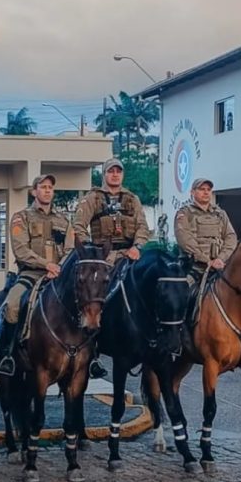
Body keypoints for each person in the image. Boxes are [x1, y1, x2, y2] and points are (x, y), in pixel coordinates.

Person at [73, 158, 150, 378]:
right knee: (94, 295)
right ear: (104, 174)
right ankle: (91, 351)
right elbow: (78, 226)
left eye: (119, 172)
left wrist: (137, 246)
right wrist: (91, 252)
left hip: (129, 254)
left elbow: (142, 226)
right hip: (101, 256)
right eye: (111, 171)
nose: (115, 175)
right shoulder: (93, 198)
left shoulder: (132, 199)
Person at [0, 174, 73, 376]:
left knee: (87, 304)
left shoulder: (64, 220)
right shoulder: (22, 217)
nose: (47, 190)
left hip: (58, 277)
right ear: (33, 192)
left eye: (50, 187)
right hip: (30, 275)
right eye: (43, 186)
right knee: (12, 305)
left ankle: (91, 357)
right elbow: (20, 250)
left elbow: (70, 249)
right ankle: (9, 354)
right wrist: (46, 264)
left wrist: (59, 267)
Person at [174, 178, 237, 282]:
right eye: (202, 189)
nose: (206, 192)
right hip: (194, 269)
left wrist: (221, 258)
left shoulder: (220, 213)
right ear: (192, 192)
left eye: (208, 189)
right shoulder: (185, 213)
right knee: (183, 295)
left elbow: (231, 237)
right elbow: (184, 240)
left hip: (220, 267)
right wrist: (206, 261)